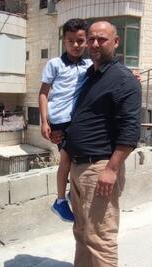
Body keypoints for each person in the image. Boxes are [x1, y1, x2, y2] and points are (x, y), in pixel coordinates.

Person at [55, 21, 142, 267]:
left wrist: (111, 169)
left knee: (100, 238)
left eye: (101, 39)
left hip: (99, 169)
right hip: (78, 167)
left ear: (115, 42)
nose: (94, 44)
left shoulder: (123, 79)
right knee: (82, 233)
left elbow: (130, 130)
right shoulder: (89, 76)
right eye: (91, 38)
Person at [39, 18, 92, 223]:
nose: (76, 45)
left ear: (86, 41)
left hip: (77, 120)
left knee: (80, 155)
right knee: (67, 159)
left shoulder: (89, 65)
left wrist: (131, 76)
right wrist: (45, 122)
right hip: (60, 120)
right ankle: (60, 201)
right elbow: (43, 93)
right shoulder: (55, 64)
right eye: (71, 41)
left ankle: (71, 193)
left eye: (80, 40)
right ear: (64, 41)